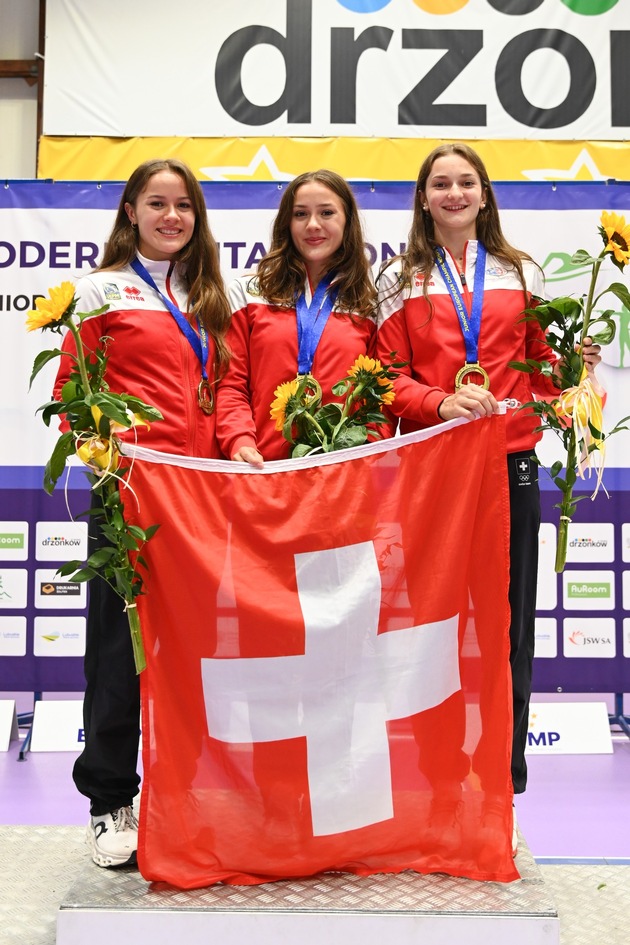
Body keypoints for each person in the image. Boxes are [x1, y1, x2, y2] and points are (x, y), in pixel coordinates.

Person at [376, 142, 601, 855]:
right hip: (432, 467)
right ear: (423, 197)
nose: (453, 192)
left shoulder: (520, 269)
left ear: (483, 192)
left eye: (465, 181)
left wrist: (570, 373)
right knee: (435, 632)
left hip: (509, 463)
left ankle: (503, 779)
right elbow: (383, 379)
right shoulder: (397, 280)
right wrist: (440, 401)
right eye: (440, 182)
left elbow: (537, 369)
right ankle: (438, 781)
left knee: (507, 626)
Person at [53, 158, 231, 868]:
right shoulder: (97, 291)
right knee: (118, 650)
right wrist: (110, 454)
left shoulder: (215, 292)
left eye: (183, 205)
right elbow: (71, 390)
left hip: (206, 495)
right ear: (130, 211)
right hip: (128, 493)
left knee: (196, 651)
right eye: (156, 203)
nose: (171, 217)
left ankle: (189, 790)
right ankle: (109, 800)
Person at [216, 168, 387, 465]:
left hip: (343, 476)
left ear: (347, 221)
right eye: (300, 214)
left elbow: (378, 402)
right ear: (286, 223)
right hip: (261, 468)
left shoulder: (367, 303)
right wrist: (239, 441)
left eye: (326, 213)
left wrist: (365, 452)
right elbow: (232, 385)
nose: (313, 225)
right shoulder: (248, 292)